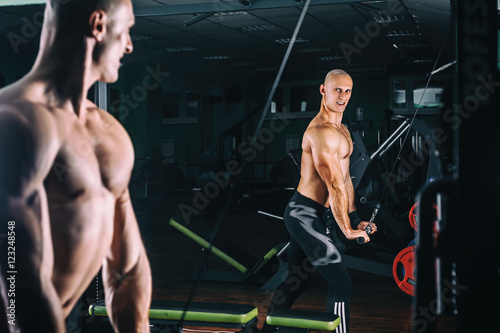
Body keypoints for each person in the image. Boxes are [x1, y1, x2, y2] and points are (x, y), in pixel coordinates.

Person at [0, 0, 152, 332]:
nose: (129, 44)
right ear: (98, 25)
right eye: (126, 29)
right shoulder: (15, 123)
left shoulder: (109, 134)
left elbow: (125, 270)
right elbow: (17, 286)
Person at [262, 69, 377, 333]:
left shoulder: (343, 130)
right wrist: (347, 229)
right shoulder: (322, 132)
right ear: (323, 90)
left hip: (315, 214)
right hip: (303, 214)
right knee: (340, 281)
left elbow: (346, 180)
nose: (343, 96)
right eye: (337, 89)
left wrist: (356, 218)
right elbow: (334, 184)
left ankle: (268, 331)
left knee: (296, 281)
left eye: (348, 91)